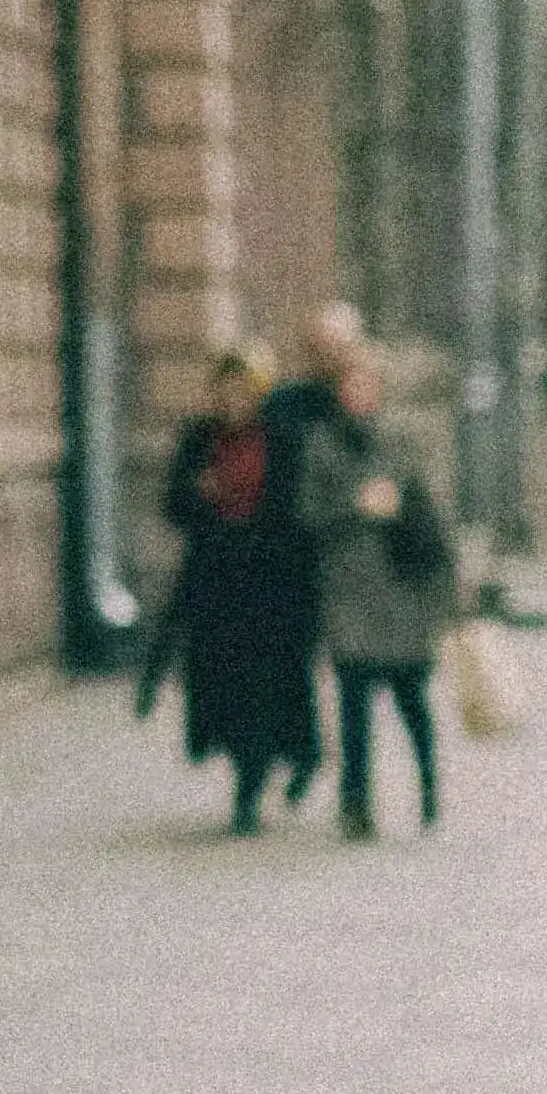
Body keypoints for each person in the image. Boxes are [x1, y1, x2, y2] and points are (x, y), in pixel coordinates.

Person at [153, 344, 319, 832]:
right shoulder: (199, 439)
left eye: (243, 389)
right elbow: (173, 505)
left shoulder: (282, 441)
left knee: (266, 689)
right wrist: (197, 494)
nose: (233, 398)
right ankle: (248, 770)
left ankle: (257, 783)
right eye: (225, 388)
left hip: (270, 586)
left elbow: (293, 514)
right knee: (224, 688)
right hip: (216, 584)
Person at [301, 343, 457, 834]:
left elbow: (431, 518)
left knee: (412, 700)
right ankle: (355, 803)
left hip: (400, 591)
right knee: (353, 707)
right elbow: (308, 515)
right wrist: (355, 505)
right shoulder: (321, 445)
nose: (359, 393)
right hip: (348, 592)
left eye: (367, 384)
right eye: (351, 384)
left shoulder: (403, 442)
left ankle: (429, 787)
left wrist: (443, 596)